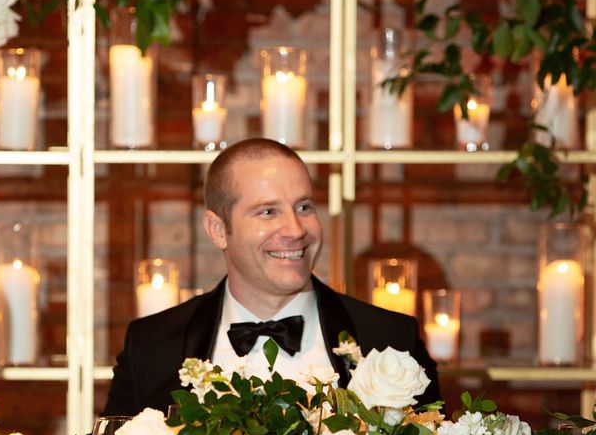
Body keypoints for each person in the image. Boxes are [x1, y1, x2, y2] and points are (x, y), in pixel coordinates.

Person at [103, 137, 440, 418]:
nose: (295, 230)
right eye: (268, 211)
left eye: (304, 207)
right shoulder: (151, 347)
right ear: (218, 230)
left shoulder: (392, 341)